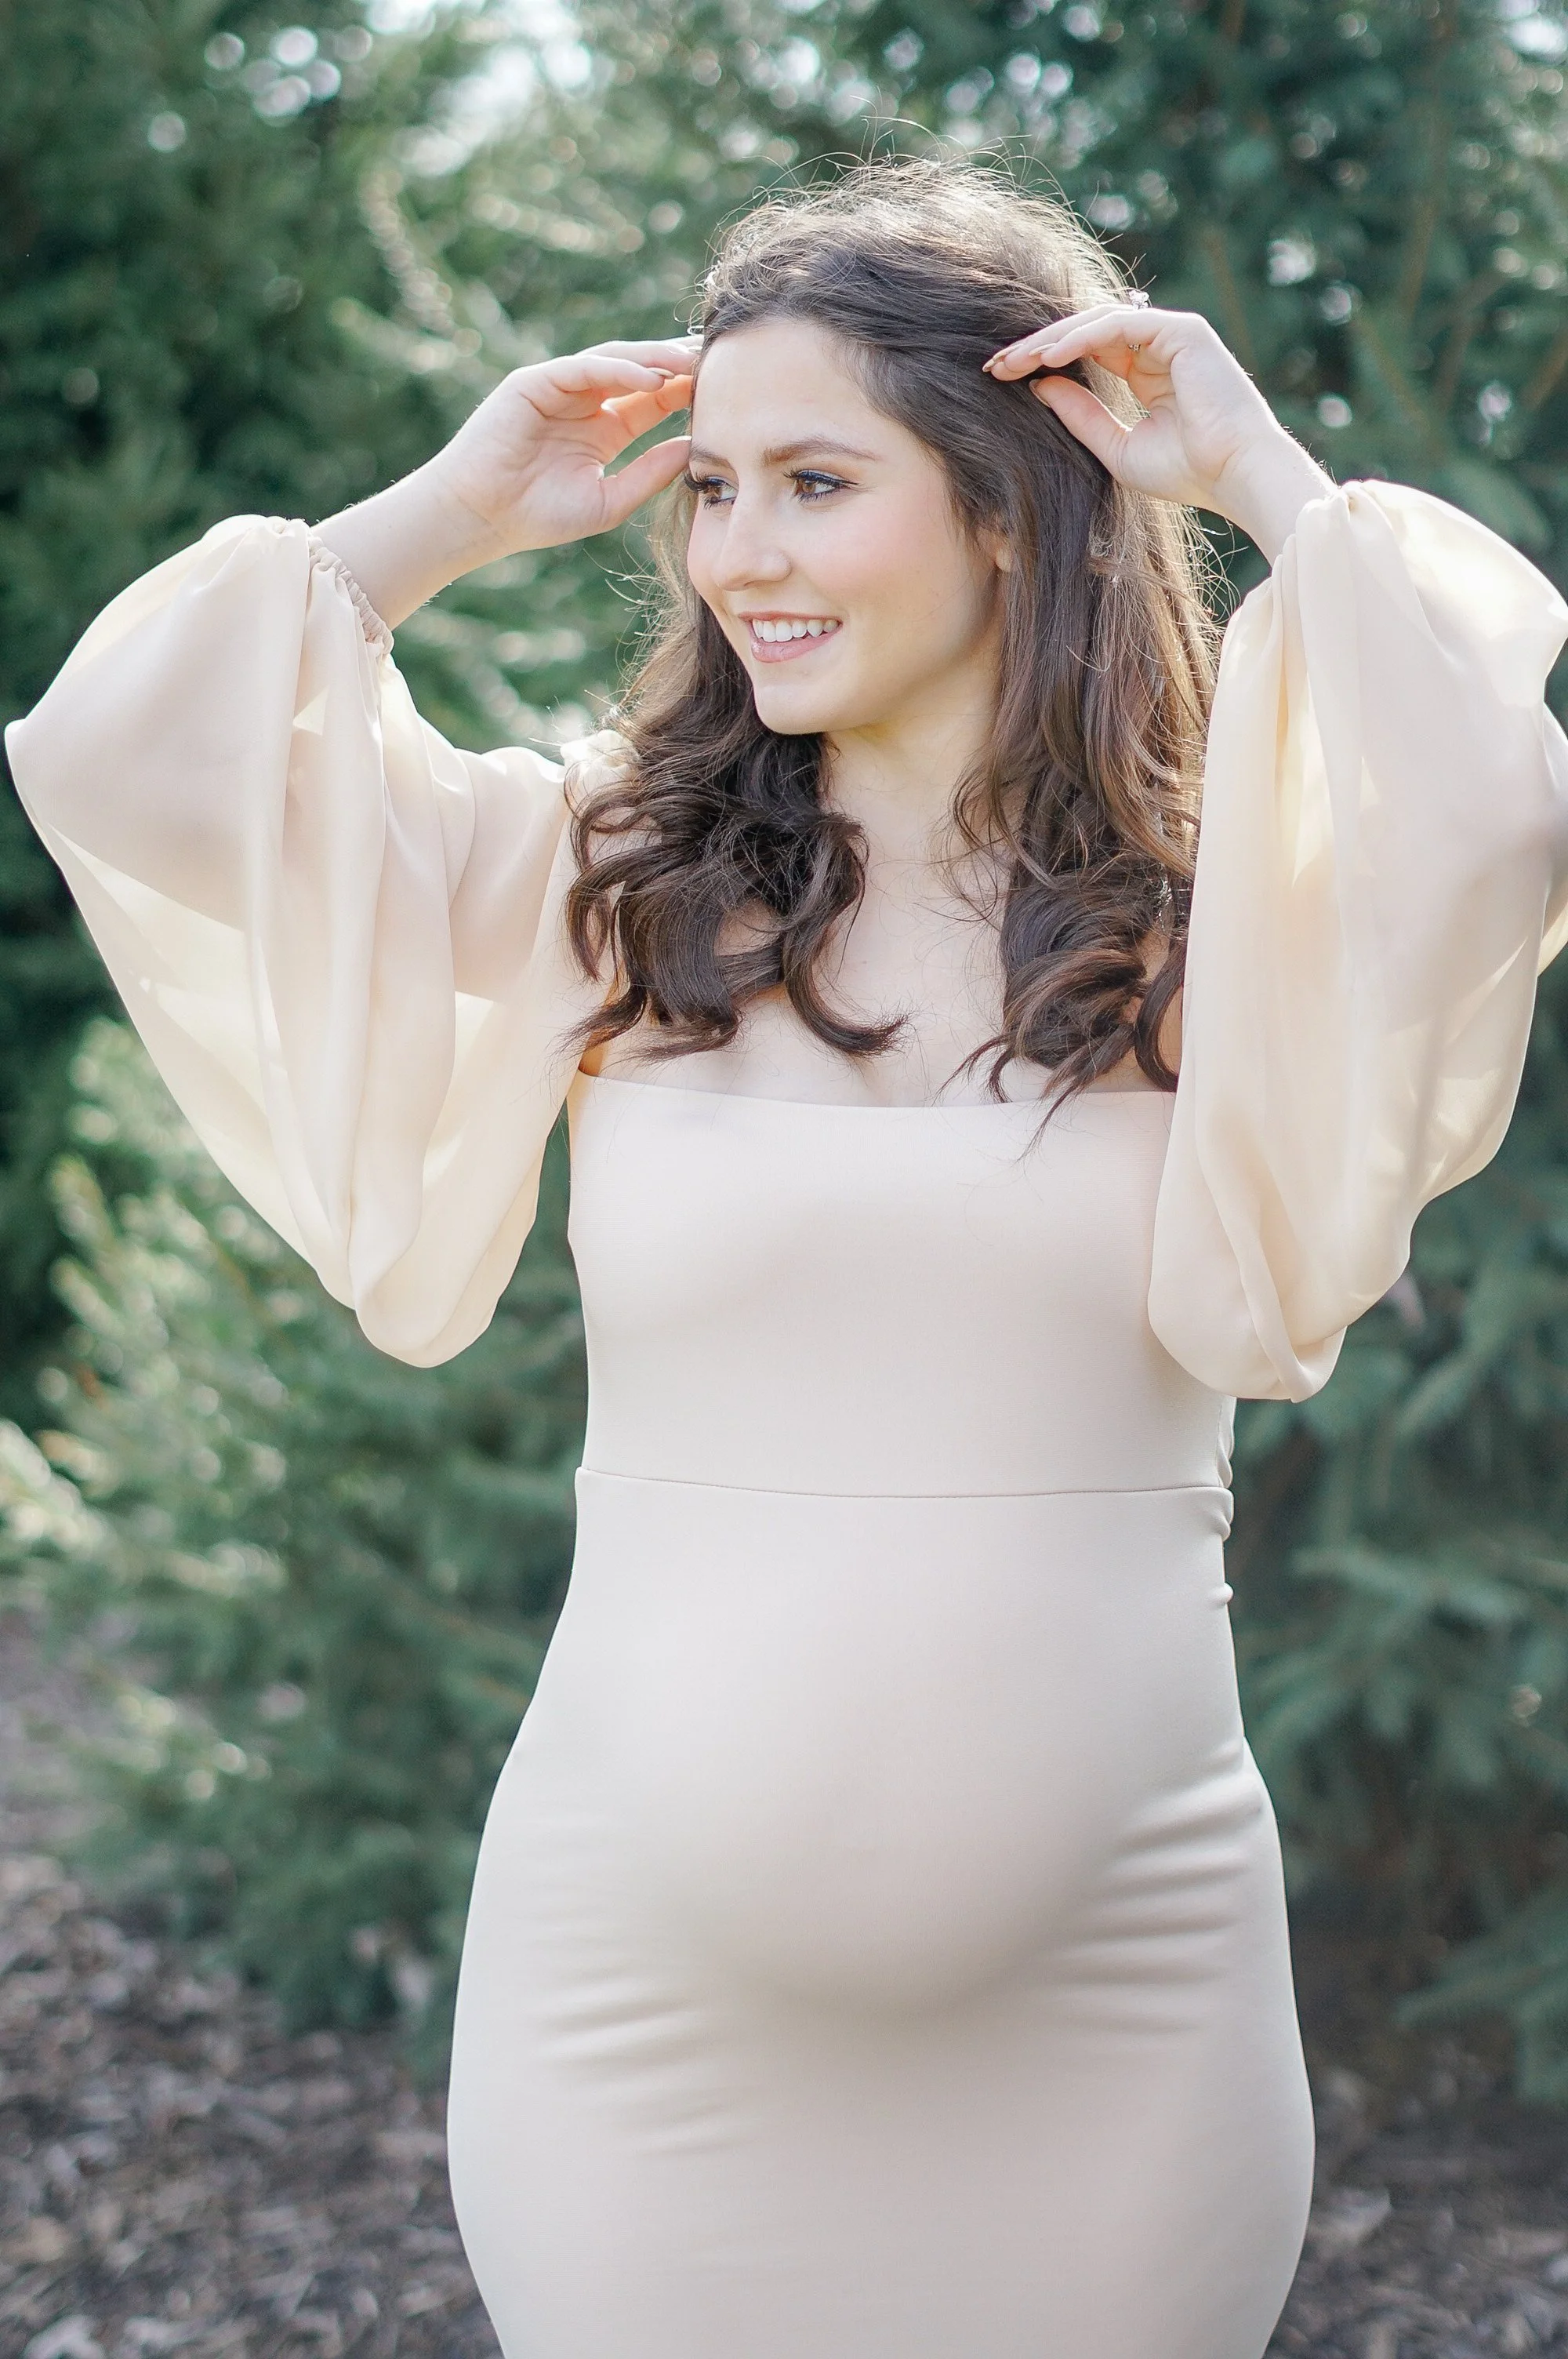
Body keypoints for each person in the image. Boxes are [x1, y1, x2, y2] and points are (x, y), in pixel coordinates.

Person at [9, 157, 1568, 2359]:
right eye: (715, 487)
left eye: (817, 482)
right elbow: (117, 759)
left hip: (1114, 2011)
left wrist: (1250, 468)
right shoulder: (603, 883)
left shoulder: (1215, 922)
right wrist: (450, 512)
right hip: (638, 2019)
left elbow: (1500, 811)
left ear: (1007, 508)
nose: (739, 550)